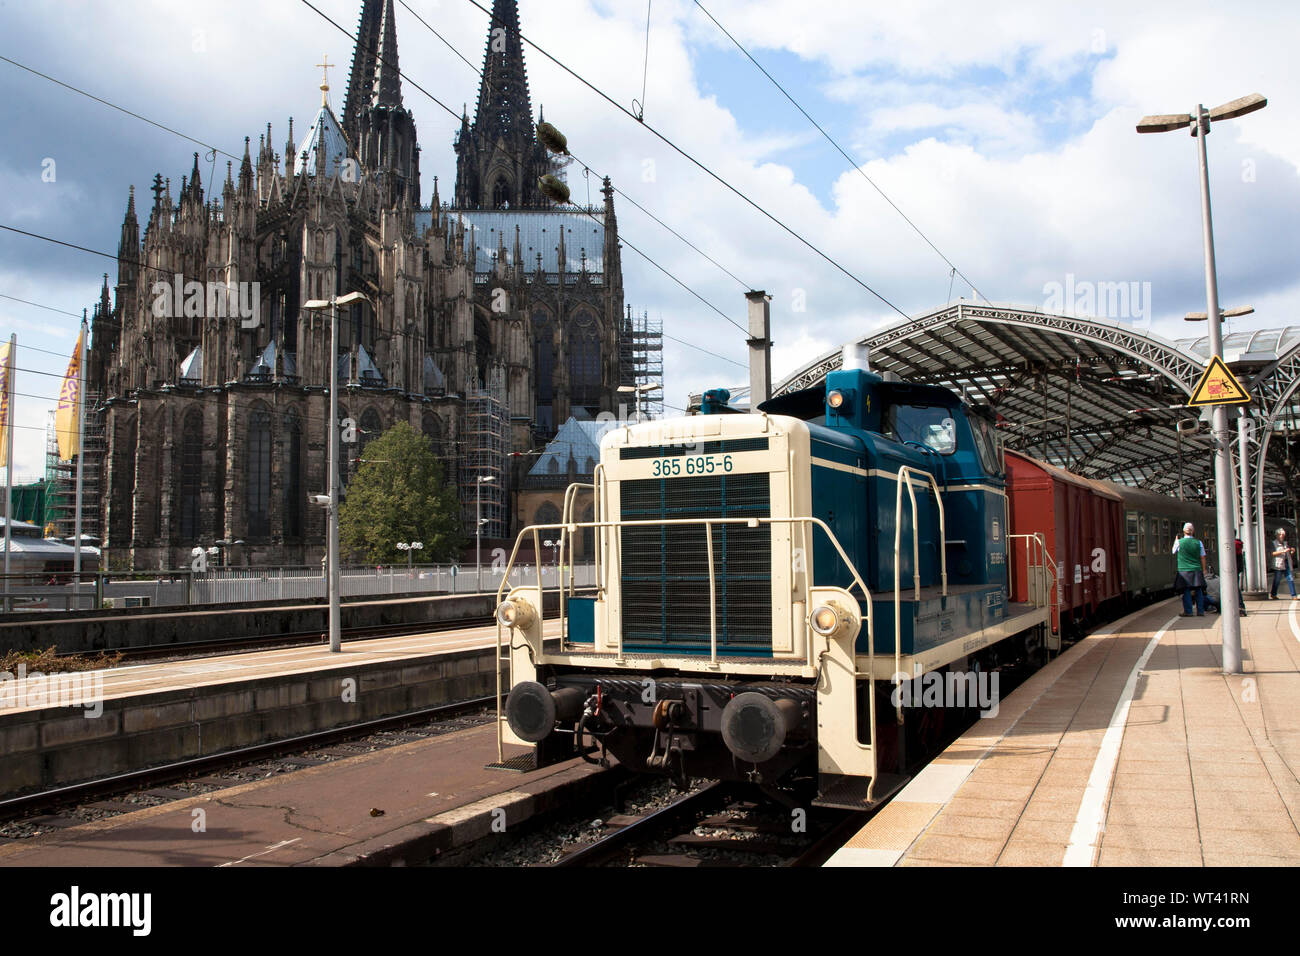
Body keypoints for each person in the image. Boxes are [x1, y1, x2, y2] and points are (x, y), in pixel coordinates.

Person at [1172, 522, 1207, 617]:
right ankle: (1200, 611)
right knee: (1199, 590)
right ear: (1193, 531)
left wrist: (1176, 540)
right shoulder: (1198, 542)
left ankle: (1188, 611)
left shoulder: (1179, 542)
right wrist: (1204, 570)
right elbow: (1203, 557)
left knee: (1186, 590)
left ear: (1184, 531)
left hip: (1183, 570)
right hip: (1196, 569)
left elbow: (1173, 551)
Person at [1269, 528, 1296, 599]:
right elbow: (1273, 553)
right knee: (1277, 580)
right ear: (1277, 535)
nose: (1282, 536)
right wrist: (1283, 551)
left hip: (1287, 563)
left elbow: (1288, 553)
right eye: (1280, 535)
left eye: (1283, 535)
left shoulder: (1286, 543)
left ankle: (1294, 595)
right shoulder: (1274, 543)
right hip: (1278, 564)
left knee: (1290, 578)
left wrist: (1291, 552)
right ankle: (1273, 594)